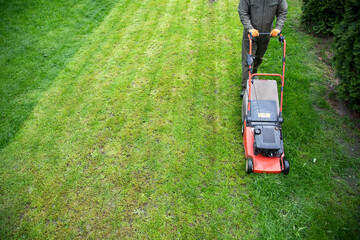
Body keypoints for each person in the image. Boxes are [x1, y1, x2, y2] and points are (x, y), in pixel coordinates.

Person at [238, 0, 288, 97]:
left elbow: (282, 12)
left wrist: (278, 28)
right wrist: (250, 28)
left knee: (259, 57)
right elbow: (243, 12)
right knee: (248, 60)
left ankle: (254, 73)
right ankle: (245, 88)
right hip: (251, 34)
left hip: (266, 33)